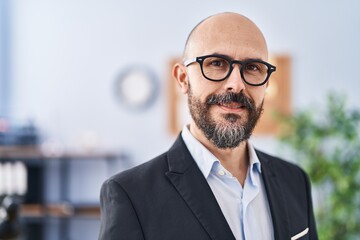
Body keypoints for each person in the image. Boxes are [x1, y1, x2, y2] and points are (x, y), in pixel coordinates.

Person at [98, 12, 318, 240]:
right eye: (216, 63)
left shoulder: (295, 181)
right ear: (183, 79)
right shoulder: (131, 195)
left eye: (252, 67)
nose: (236, 84)